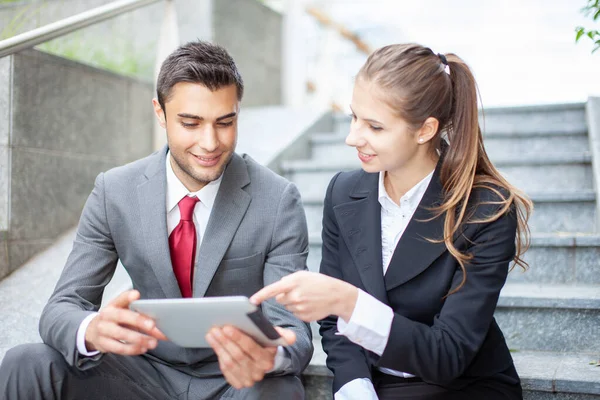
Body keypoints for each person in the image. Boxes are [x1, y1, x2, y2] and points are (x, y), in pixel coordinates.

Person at [0, 40, 313, 400]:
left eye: (224, 122)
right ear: (160, 113)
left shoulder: (277, 200)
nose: (210, 142)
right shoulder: (114, 191)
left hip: (236, 380)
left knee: (280, 389)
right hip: (141, 372)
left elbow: (293, 331)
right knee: (27, 362)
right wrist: (92, 328)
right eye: (191, 123)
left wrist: (269, 356)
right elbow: (61, 308)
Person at [251, 43, 532, 400]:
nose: (353, 137)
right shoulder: (343, 192)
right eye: (354, 117)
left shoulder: (485, 209)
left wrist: (349, 302)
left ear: (425, 130)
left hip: (460, 387)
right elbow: (335, 326)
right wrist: (355, 386)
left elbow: (448, 355)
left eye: (375, 126)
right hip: (376, 384)